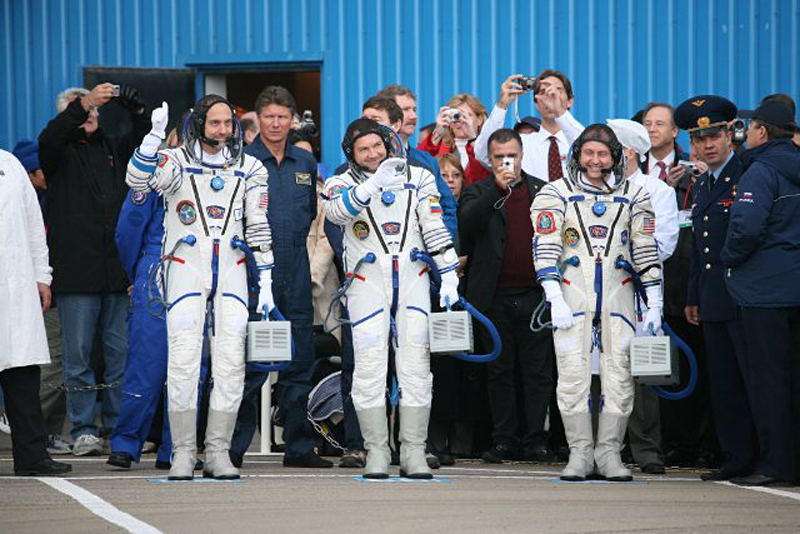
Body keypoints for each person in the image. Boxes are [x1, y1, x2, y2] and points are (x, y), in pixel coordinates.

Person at [126, 94, 274, 481]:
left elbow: (258, 224)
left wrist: (269, 279)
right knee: (183, 362)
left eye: (229, 123)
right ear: (198, 125)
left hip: (233, 271)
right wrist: (152, 139)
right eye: (215, 124)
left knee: (229, 363)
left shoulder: (250, 166)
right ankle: (183, 452)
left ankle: (218, 452)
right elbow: (137, 180)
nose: (223, 131)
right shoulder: (176, 162)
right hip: (184, 269)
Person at [323, 118, 459, 479]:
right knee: (368, 367)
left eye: (376, 146)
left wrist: (448, 273)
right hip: (365, 282)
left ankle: (413, 450)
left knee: (415, 366)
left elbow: (434, 225)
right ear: (351, 154)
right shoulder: (340, 182)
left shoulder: (419, 177)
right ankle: (377, 451)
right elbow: (336, 214)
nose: (371, 154)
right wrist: (372, 185)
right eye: (362, 149)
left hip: (412, 278)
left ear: (388, 144)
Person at [531, 124, 662, 482]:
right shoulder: (555, 193)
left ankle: (609, 454)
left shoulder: (635, 194)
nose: (595, 160)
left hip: (619, 294)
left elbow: (645, 249)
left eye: (602, 154)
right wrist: (553, 294)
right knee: (572, 374)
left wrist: (655, 301)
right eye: (589, 153)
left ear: (616, 156)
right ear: (577, 155)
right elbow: (545, 245)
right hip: (572, 293)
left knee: (618, 375)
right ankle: (580, 453)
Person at [38, 83, 149, 456]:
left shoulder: (111, 148)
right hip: (76, 274)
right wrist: (83, 103)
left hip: (115, 273)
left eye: (94, 112)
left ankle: (119, 427)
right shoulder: (57, 151)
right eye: (82, 111)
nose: (90, 117)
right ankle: (84, 428)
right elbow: (52, 135)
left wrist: (136, 113)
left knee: (120, 354)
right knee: (79, 356)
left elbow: (141, 144)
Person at [231, 86, 330, 469]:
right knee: (252, 365)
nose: (275, 124)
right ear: (258, 119)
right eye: (269, 117)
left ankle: (299, 447)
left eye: (282, 117)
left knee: (299, 361)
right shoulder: (242, 162)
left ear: (292, 120)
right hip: (255, 275)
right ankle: (234, 448)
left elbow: (308, 215)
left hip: (297, 270)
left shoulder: (305, 164)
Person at [674, 95, 759, 482]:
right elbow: (698, 245)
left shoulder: (747, 173)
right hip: (712, 298)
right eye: (699, 138)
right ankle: (735, 457)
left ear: (730, 134)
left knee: (752, 380)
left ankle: (762, 456)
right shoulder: (704, 182)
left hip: (743, 296)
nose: (707, 145)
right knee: (723, 384)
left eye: (714, 135)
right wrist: (693, 296)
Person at [458, 128, 554, 463]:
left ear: (522, 154)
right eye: (498, 157)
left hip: (535, 296)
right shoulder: (478, 191)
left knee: (537, 373)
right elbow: (466, 226)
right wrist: (497, 189)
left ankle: (536, 440)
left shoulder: (542, 190)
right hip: (492, 298)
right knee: (498, 372)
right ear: (490, 158)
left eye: (510, 155)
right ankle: (504, 440)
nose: (505, 162)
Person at [721, 100, 800, 487]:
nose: (746, 134)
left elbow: (746, 229)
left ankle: (774, 463)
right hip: (795, 288)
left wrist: (728, 259)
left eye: (750, 127)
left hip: (764, 293)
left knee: (768, 382)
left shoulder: (760, 171)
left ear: (763, 132)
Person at [639, 103, 717, 469]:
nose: (652, 129)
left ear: (675, 133)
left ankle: (697, 443)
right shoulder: (631, 169)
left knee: (693, 367)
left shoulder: (696, 167)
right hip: (644, 287)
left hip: (685, 282)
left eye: (660, 124)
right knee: (654, 370)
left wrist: (693, 182)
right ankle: (662, 441)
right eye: (647, 124)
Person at [606, 119, 679, 475]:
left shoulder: (657, 190)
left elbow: (663, 244)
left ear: (629, 152)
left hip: (639, 293)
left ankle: (647, 449)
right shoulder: (595, 188)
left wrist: (623, 258)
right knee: (602, 371)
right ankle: (605, 448)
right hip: (602, 292)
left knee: (643, 373)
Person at [0, 149, 71, 476]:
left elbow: (33, 223)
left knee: (23, 375)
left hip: (17, 288)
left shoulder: (10, 164)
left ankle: (32, 456)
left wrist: (43, 276)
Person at [375, 84, 458, 239]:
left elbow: (447, 208)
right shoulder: (370, 162)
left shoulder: (427, 161)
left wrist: (439, 249)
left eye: (414, 110)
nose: (413, 116)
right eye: (406, 110)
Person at [475, 70, 576, 182]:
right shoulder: (522, 142)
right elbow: (483, 153)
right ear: (536, 103)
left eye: (557, 91)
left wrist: (560, 113)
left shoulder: (580, 141)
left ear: (570, 101)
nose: (550, 96)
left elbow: (586, 143)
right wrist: (502, 105)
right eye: (543, 92)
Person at [417, 93, 490, 185]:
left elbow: (484, 177)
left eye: (467, 116)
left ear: (479, 119)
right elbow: (416, 164)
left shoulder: (489, 147)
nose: (461, 121)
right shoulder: (440, 148)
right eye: (456, 116)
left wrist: (472, 138)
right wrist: (438, 132)